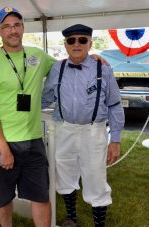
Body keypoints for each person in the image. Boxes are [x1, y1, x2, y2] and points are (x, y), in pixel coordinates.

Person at [0, 6, 56, 227]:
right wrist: (3, 149)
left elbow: (63, 69)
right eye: (7, 26)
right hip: (1, 142)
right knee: (2, 197)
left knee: (40, 195)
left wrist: (90, 57)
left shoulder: (38, 55)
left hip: (33, 140)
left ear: (23, 27)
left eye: (17, 25)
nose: (13, 30)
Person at [41, 24, 125, 227]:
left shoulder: (103, 69)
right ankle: (71, 218)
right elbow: (45, 99)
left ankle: (99, 224)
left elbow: (114, 105)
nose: (76, 44)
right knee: (65, 173)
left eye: (82, 40)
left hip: (93, 131)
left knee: (95, 178)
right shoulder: (57, 68)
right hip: (65, 129)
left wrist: (115, 139)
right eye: (71, 40)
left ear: (90, 43)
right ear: (65, 44)